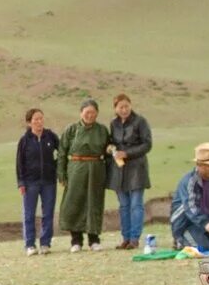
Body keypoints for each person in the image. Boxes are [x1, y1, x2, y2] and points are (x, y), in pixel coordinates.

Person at [58, 98, 111, 252]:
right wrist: (61, 173)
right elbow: (62, 152)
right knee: (75, 202)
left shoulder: (102, 130)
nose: (90, 115)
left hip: (96, 170)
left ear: (97, 113)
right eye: (87, 112)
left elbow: (108, 151)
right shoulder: (71, 130)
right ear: (81, 113)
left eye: (93, 112)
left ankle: (94, 240)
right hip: (76, 169)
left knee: (94, 202)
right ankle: (76, 241)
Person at [107, 93, 153, 249]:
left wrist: (127, 153)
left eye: (126, 106)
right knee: (124, 206)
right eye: (121, 107)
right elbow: (113, 141)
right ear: (115, 108)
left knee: (136, 205)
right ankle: (125, 238)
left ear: (130, 105)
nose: (124, 109)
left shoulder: (140, 121)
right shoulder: (113, 124)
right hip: (119, 170)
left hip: (136, 169)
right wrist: (110, 148)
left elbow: (147, 144)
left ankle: (134, 238)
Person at [15, 108, 59, 255]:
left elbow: (62, 151)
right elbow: (19, 163)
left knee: (48, 213)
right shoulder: (24, 141)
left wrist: (56, 166)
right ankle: (30, 245)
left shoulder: (50, 136)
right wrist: (21, 182)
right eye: (35, 119)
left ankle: (45, 243)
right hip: (30, 182)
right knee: (29, 214)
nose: (39, 122)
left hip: (49, 181)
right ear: (29, 122)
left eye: (41, 118)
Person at [171, 143, 209, 251]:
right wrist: (205, 223)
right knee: (203, 248)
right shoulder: (189, 182)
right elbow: (190, 207)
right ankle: (180, 240)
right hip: (187, 224)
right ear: (200, 165)